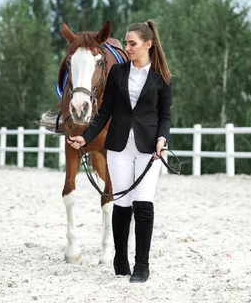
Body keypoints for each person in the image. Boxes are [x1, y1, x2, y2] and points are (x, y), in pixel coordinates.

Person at [67, 20, 173, 283]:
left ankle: (142, 265)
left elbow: (166, 117)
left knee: (143, 204)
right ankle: (120, 259)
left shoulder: (162, 78)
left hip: (149, 148)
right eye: (125, 43)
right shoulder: (118, 73)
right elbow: (105, 113)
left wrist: (162, 139)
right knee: (122, 203)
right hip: (118, 147)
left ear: (148, 44)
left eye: (132, 43)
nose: (127, 48)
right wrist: (84, 137)